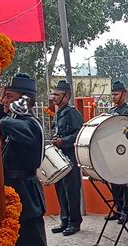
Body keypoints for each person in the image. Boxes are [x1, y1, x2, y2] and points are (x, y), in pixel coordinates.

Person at [0, 73, 51, 246]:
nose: (4, 101)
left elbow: (26, 136)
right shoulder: (11, 121)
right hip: (10, 196)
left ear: (24, 99)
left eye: (9, 96)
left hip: (26, 196)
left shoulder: (29, 123)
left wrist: (4, 116)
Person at [50, 80, 84, 236]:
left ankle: (74, 223)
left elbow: (79, 134)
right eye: (53, 94)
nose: (54, 97)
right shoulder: (58, 113)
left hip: (70, 156)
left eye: (57, 94)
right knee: (61, 190)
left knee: (71, 190)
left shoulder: (72, 112)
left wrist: (63, 141)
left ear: (66, 96)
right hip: (59, 156)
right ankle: (65, 221)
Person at [105, 80, 128, 224]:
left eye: (116, 94)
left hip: (126, 150)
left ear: (124, 94)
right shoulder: (111, 112)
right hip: (114, 151)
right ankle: (118, 210)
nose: (113, 97)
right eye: (112, 94)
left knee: (126, 183)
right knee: (115, 183)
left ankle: (126, 212)